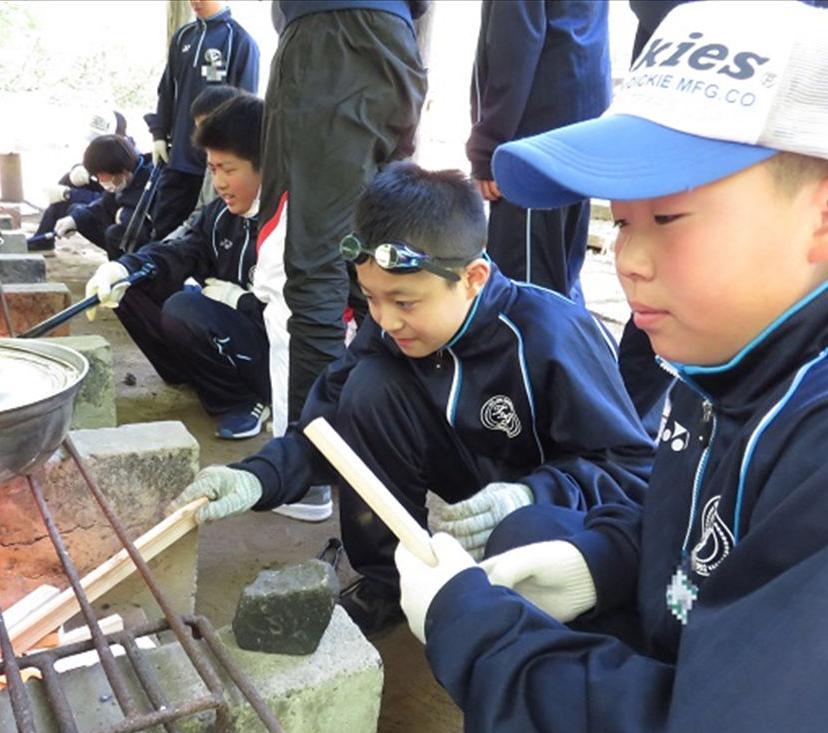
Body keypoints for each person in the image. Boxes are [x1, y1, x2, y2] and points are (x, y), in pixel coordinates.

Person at [393, 3, 828, 733]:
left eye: (667, 218)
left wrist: (480, 638)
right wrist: (600, 560)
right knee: (534, 527)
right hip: (713, 650)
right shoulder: (729, 361)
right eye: (622, 220)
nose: (626, 260)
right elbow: (706, 529)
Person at [173, 162, 655, 636]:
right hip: (467, 484)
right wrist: (256, 477)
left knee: (527, 539)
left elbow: (631, 470)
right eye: (371, 299)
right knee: (366, 388)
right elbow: (328, 428)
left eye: (404, 302)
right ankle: (391, 582)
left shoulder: (551, 335)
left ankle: (538, 640)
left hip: (543, 506)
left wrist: (530, 495)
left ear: (473, 278)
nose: (385, 321)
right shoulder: (390, 332)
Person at [253, 0, 429, 444]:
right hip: (397, 40)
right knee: (377, 255)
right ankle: (374, 443)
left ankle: (311, 463)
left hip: (324, 43)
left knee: (311, 264)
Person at [84, 95, 271, 441]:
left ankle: (244, 400)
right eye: (213, 170)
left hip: (271, 352)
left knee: (185, 307)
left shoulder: (287, 223)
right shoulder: (219, 216)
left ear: (266, 165)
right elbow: (180, 251)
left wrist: (241, 301)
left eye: (229, 170)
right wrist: (124, 268)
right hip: (231, 328)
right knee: (131, 288)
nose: (220, 183)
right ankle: (189, 371)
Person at [467, 1, 610, 304]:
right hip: (581, 114)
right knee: (561, 277)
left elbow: (514, 47)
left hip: (534, 133)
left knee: (525, 291)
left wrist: (488, 149)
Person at [145, 0, 258, 240]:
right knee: (164, 230)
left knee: (205, 234)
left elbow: (246, 107)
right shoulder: (183, 37)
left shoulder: (239, 41)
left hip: (215, 166)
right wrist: (159, 134)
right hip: (179, 159)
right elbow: (166, 90)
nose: (195, 2)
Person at [30, 111, 128, 251]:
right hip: (104, 200)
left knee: (72, 204)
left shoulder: (125, 160)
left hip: (119, 217)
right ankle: (42, 240)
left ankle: (120, 257)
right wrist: (77, 170)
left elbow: (112, 200)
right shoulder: (106, 152)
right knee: (68, 179)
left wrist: (70, 194)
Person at [161, 84, 242, 242]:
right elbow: (200, 214)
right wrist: (170, 244)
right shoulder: (210, 164)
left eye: (209, 129)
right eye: (199, 130)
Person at [54, 135, 154, 260]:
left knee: (120, 226)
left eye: (101, 175)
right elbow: (103, 204)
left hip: (150, 241)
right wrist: (74, 219)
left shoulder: (152, 179)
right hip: (124, 228)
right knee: (78, 213)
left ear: (123, 172)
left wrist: (125, 211)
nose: (100, 180)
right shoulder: (123, 178)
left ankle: (126, 267)